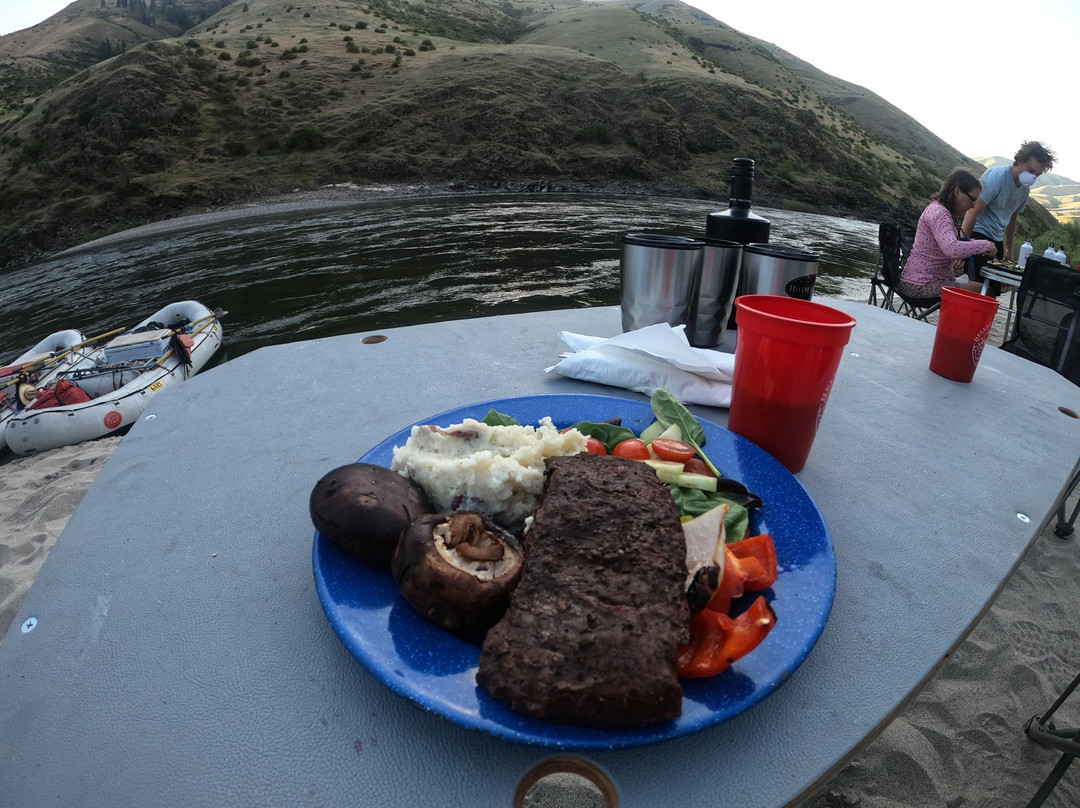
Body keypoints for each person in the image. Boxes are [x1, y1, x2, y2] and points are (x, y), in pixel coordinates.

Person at [896, 169, 997, 300]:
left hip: (920, 280)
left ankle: (956, 320)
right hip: (921, 285)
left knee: (982, 289)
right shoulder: (940, 214)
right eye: (972, 200)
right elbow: (952, 249)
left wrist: (972, 243)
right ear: (957, 191)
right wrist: (986, 244)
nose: (973, 206)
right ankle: (956, 321)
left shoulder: (938, 209)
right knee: (986, 292)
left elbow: (949, 245)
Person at [961, 141, 1056, 269]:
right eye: (1031, 171)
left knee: (994, 287)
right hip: (978, 234)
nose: (1033, 177)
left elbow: (1012, 218)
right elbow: (972, 211)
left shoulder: (1024, 190)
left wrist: (1009, 250)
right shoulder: (997, 177)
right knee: (978, 285)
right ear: (1020, 161)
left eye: (1037, 175)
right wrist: (963, 248)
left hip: (996, 240)